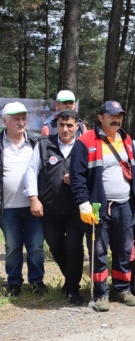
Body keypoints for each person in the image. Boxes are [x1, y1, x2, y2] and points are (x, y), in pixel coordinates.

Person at [70, 101, 135, 310]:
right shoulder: (85, 141)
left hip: (125, 205)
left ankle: (123, 289)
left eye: (120, 115)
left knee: (123, 250)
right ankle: (101, 292)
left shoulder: (127, 139)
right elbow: (77, 178)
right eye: (112, 115)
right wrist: (83, 203)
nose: (117, 119)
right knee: (98, 251)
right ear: (100, 117)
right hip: (97, 207)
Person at [24, 109, 84, 304]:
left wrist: (76, 180)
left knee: (75, 249)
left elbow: (92, 175)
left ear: (77, 126)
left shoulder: (83, 146)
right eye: (62, 125)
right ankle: (70, 280)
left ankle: (73, 289)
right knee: (56, 247)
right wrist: (33, 198)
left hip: (76, 209)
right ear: (56, 125)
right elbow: (31, 171)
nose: (65, 129)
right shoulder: (44, 145)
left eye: (70, 125)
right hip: (50, 209)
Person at [0, 102, 42, 297]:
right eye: (16, 118)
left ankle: (37, 281)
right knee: (12, 246)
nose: (21, 122)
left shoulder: (36, 142)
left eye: (23, 118)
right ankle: (14, 282)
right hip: (7, 207)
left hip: (34, 205)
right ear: (4, 121)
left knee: (35, 246)